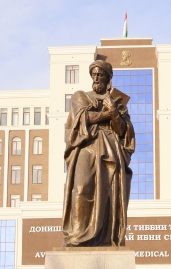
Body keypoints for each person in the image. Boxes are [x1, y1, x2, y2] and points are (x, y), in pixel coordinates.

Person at [61, 59, 135, 247]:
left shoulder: (118, 102)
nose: (96, 78)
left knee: (108, 193)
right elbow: (81, 120)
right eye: (94, 74)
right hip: (87, 147)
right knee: (81, 187)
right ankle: (78, 234)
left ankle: (104, 235)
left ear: (108, 79)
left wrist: (115, 112)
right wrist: (106, 114)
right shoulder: (81, 96)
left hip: (110, 148)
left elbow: (122, 131)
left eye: (101, 74)